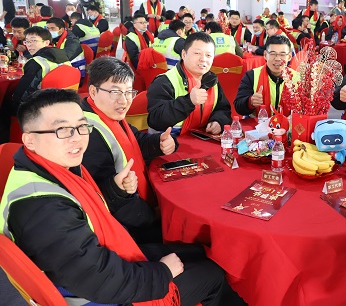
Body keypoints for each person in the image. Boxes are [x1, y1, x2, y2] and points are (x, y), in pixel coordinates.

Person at [1, 89, 244, 306]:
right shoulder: (41, 208)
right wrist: (162, 272)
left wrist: (115, 191)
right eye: (62, 130)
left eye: (81, 126)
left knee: (201, 251)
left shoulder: (48, 168)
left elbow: (86, 215)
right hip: (97, 294)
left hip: (99, 260)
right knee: (213, 274)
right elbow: (98, 280)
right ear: (29, 139)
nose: (77, 138)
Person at [81, 57, 176, 241]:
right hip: (125, 229)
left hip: (136, 208)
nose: (124, 101)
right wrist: (155, 216)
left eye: (128, 92)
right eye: (115, 92)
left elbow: (134, 140)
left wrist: (160, 143)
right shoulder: (87, 133)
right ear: (93, 91)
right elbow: (106, 198)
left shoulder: (105, 114)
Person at [147, 32, 231, 135]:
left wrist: (218, 121)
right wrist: (189, 101)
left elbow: (223, 109)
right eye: (197, 53)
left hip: (200, 137)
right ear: (183, 54)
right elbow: (156, 120)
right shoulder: (164, 81)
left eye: (208, 55)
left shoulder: (211, 81)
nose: (203, 59)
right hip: (170, 140)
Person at [11, 26, 70, 114]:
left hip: (41, 107)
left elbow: (23, 94)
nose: (29, 44)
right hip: (65, 101)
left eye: (34, 41)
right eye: (27, 41)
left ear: (46, 42)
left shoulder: (36, 62)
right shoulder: (63, 57)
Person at [234, 35, 296, 117]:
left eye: (282, 54)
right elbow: (238, 106)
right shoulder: (252, 75)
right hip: (259, 123)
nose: (277, 59)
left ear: (289, 57)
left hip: (290, 123)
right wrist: (250, 102)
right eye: (273, 54)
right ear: (265, 55)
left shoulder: (298, 79)